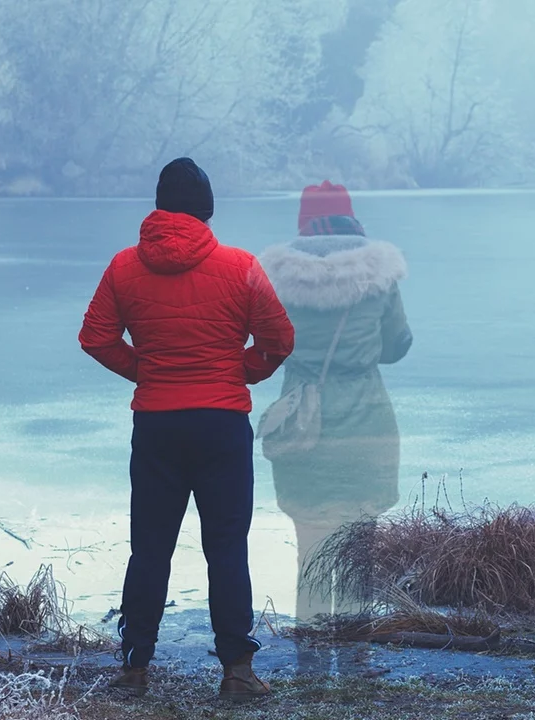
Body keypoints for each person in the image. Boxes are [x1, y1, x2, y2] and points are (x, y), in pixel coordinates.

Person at [78, 158, 294, 699]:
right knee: (226, 548)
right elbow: (280, 339)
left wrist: (147, 370)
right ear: (206, 210)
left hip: (156, 425)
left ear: (158, 207)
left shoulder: (124, 267)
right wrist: (243, 370)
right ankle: (238, 673)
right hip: (222, 424)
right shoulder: (240, 266)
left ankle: (133, 670)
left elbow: (96, 338)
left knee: (149, 548)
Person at [258, 180, 413, 626]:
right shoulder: (378, 277)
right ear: (351, 219)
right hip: (366, 421)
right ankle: (355, 648)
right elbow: (396, 346)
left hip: (302, 422)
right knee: (359, 543)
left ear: (303, 225)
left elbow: (268, 346)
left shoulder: (278, 280)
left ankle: (309, 638)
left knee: (309, 539)